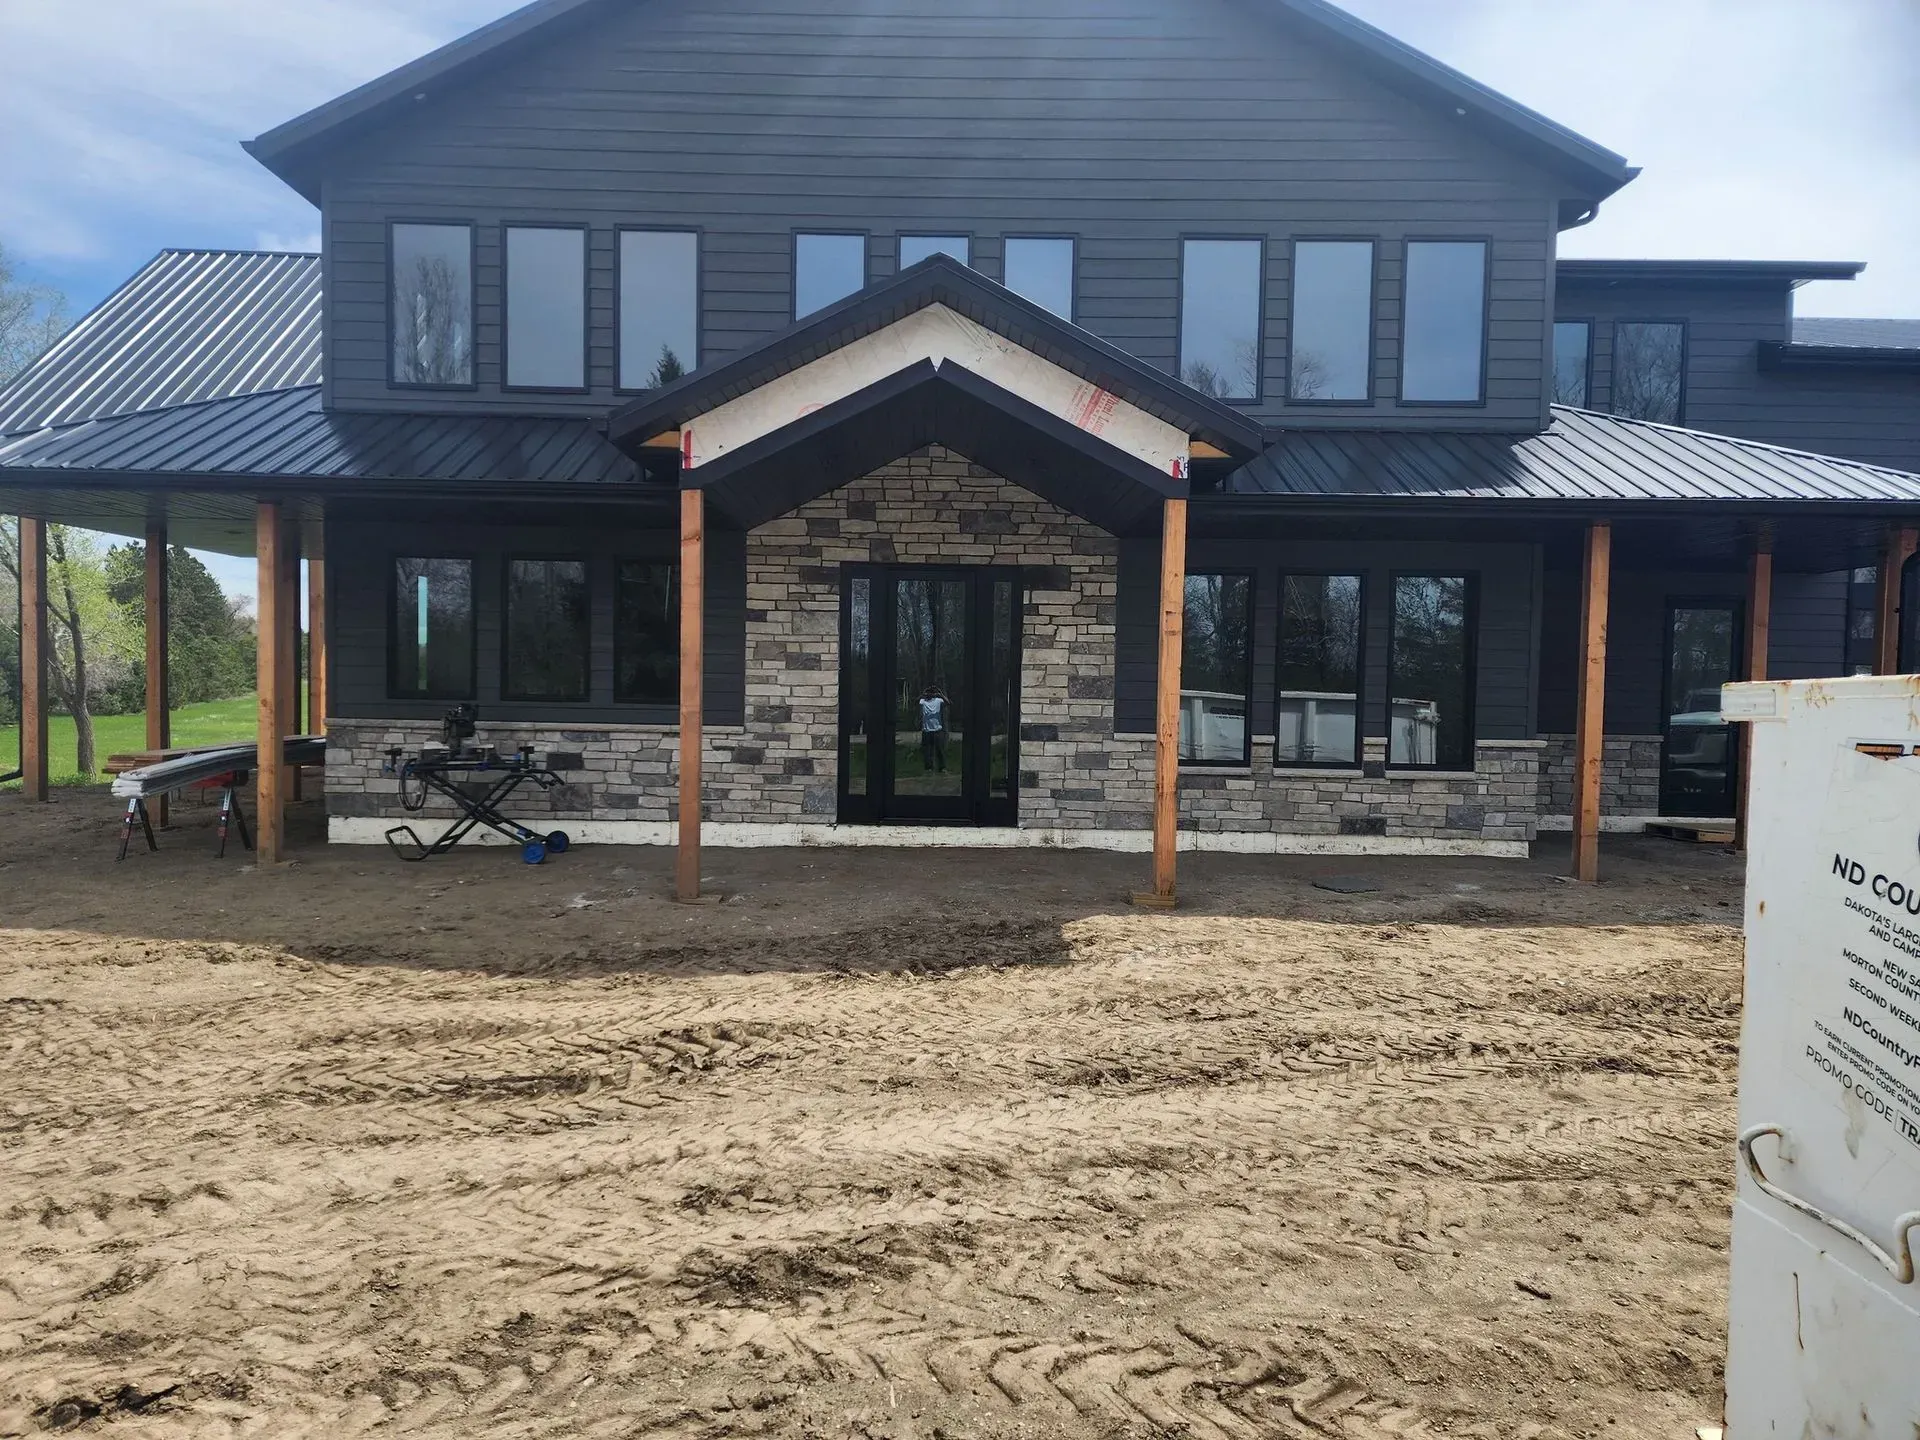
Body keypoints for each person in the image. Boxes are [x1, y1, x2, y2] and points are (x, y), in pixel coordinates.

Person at [918, 686, 950, 774]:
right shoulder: (923, 701)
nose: (930, 694)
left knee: (940, 749)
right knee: (928, 751)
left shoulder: (938, 701)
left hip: (937, 730)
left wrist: (940, 694)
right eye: (929, 692)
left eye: (932, 692)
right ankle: (928, 768)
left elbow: (948, 703)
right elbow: (916, 701)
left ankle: (942, 767)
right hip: (926, 730)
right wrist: (923, 693)